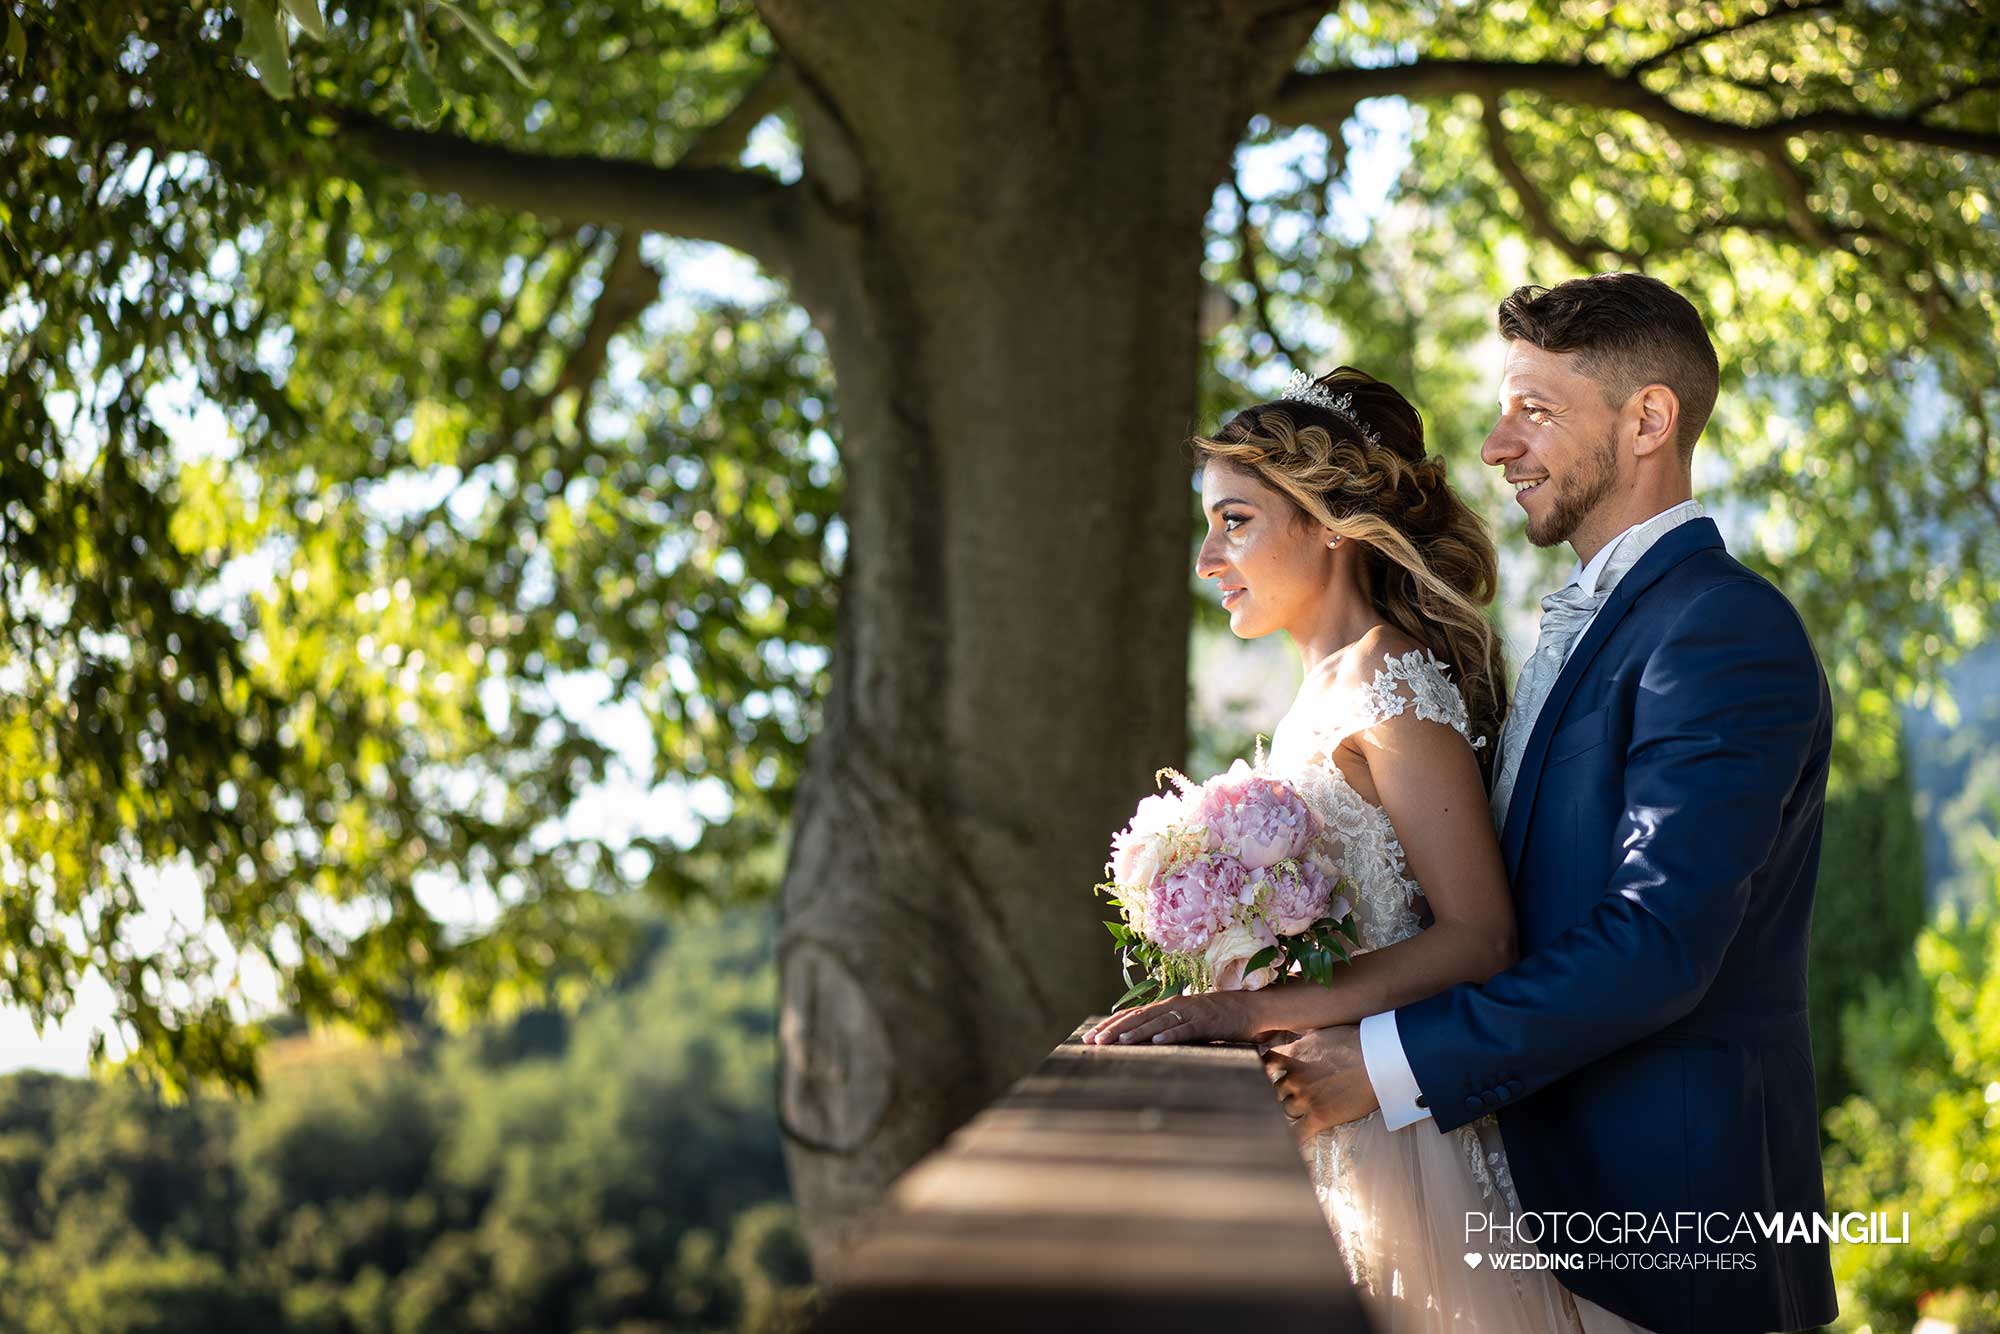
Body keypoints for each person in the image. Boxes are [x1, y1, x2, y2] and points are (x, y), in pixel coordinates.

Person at [1084, 364, 1587, 1330]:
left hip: (1405, 1146)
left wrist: (1245, 1006)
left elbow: (1482, 938)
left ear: (1330, 523)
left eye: (1235, 521)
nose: (1207, 558)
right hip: (1323, 1129)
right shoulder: (1316, 693)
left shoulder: (1392, 685)